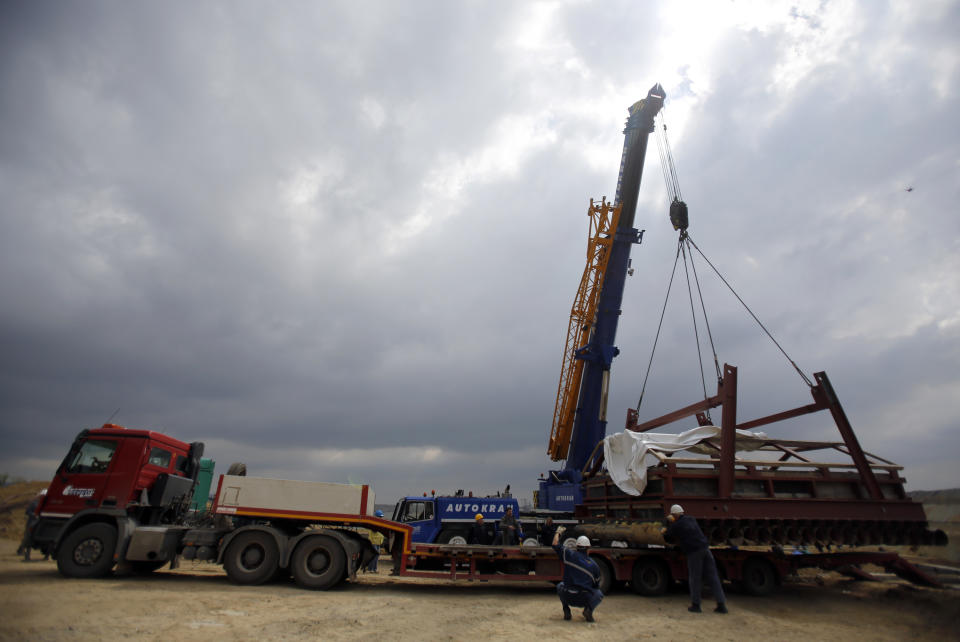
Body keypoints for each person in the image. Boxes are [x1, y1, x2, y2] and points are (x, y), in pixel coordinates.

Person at [662, 504, 728, 614]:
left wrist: (665, 528)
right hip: (705, 549)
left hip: (694, 552)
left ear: (674, 515)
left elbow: (667, 536)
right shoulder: (691, 519)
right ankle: (721, 605)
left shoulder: (676, 525)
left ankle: (696, 605)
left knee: (695, 578)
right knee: (713, 577)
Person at [552, 528, 602, 622]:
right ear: (588, 548)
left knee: (560, 586)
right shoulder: (594, 566)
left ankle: (566, 610)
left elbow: (555, 544)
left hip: (568, 596)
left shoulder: (568, 555)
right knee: (599, 593)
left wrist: (558, 532)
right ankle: (588, 610)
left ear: (576, 547)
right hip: (583, 598)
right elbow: (596, 585)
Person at [18, 490, 47, 562]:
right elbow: (27, 512)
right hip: (31, 523)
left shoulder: (45, 504)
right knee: (28, 539)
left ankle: (46, 557)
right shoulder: (34, 503)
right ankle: (25, 554)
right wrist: (34, 515)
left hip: (40, 524)